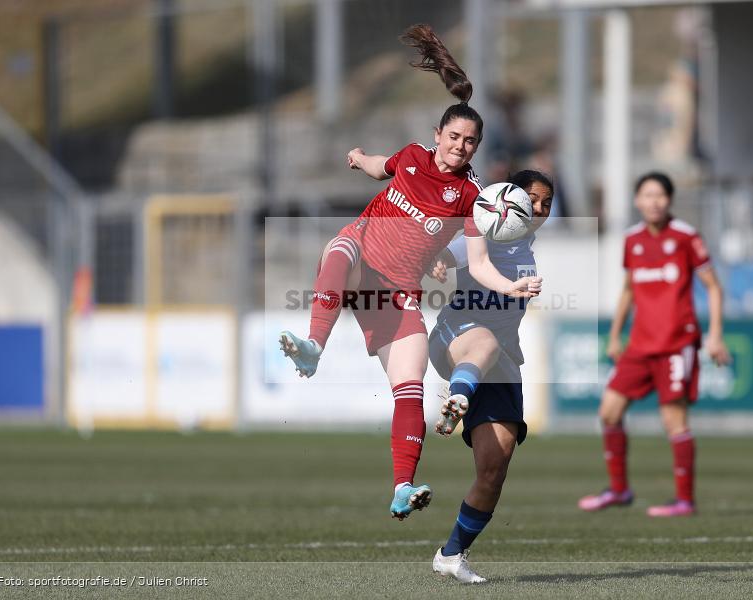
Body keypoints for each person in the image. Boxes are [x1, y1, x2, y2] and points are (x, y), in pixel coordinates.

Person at [278, 24, 542, 521]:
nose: (461, 147)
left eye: (471, 142)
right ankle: (314, 347)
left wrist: (512, 285)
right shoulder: (413, 158)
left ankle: (402, 486)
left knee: (411, 386)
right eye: (455, 137)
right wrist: (358, 159)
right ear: (437, 135)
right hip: (361, 260)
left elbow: (480, 262)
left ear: (476, 148)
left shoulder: (473, 200)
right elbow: (384, 166)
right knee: (340, 249)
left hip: (395, 295)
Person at [425, 170, 553, 583]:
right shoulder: (489, 230)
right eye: (532, 199)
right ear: (508, 199)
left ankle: (451, 554)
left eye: (546, 203)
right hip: (456, 337)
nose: (539, 209)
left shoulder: (524, 242)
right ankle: (458, 397)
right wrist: (442, 262)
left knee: (494, 466)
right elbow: (454, 251)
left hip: (500, 366)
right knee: (485, 344)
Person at [579, 171, 730, 517]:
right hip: (640, 345)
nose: (653, 202)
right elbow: (630, 290)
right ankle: (619, 491)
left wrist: (715, 335)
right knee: (609, 412)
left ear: (669, 200)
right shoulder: (632, 241)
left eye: (660, 196)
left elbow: (714, 287)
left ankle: (684, 500)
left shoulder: (686, 237)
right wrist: (616, 335)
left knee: (673, 421)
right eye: (647, 195)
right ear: (637, 201)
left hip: (677, 344)